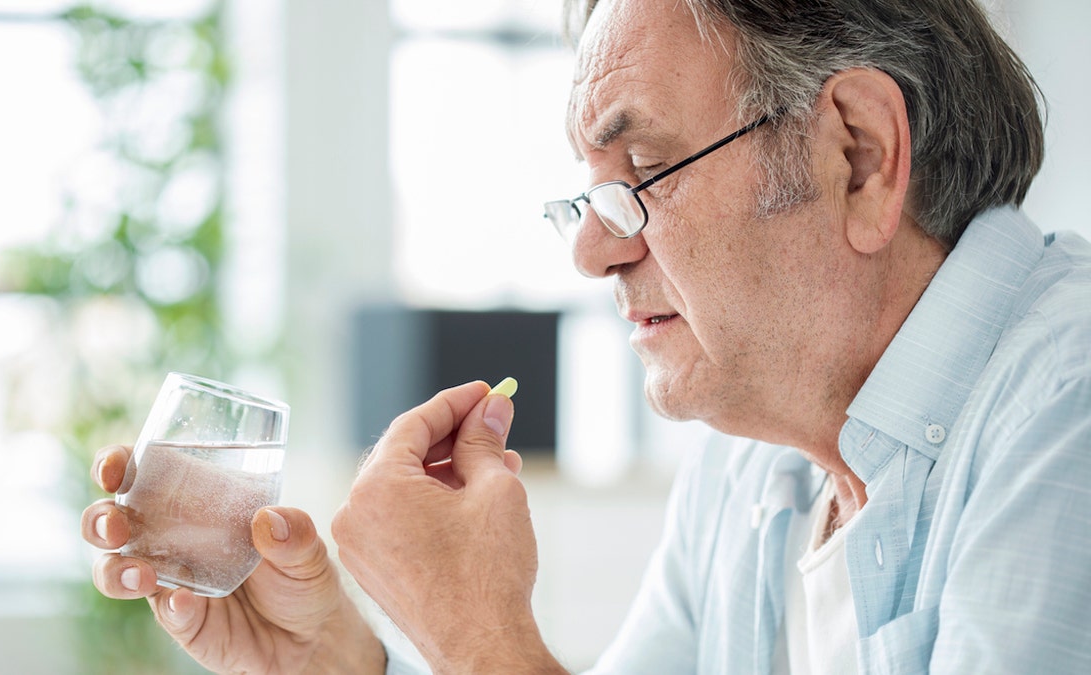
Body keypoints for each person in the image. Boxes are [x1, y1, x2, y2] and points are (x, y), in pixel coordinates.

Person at [82, 0, 1091, 672]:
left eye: (639, 177)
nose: (593, 255)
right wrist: (351, 666)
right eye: (589, 196)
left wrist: (480, 640)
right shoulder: (753, 473)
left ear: (860, 155)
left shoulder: (1070, 407)